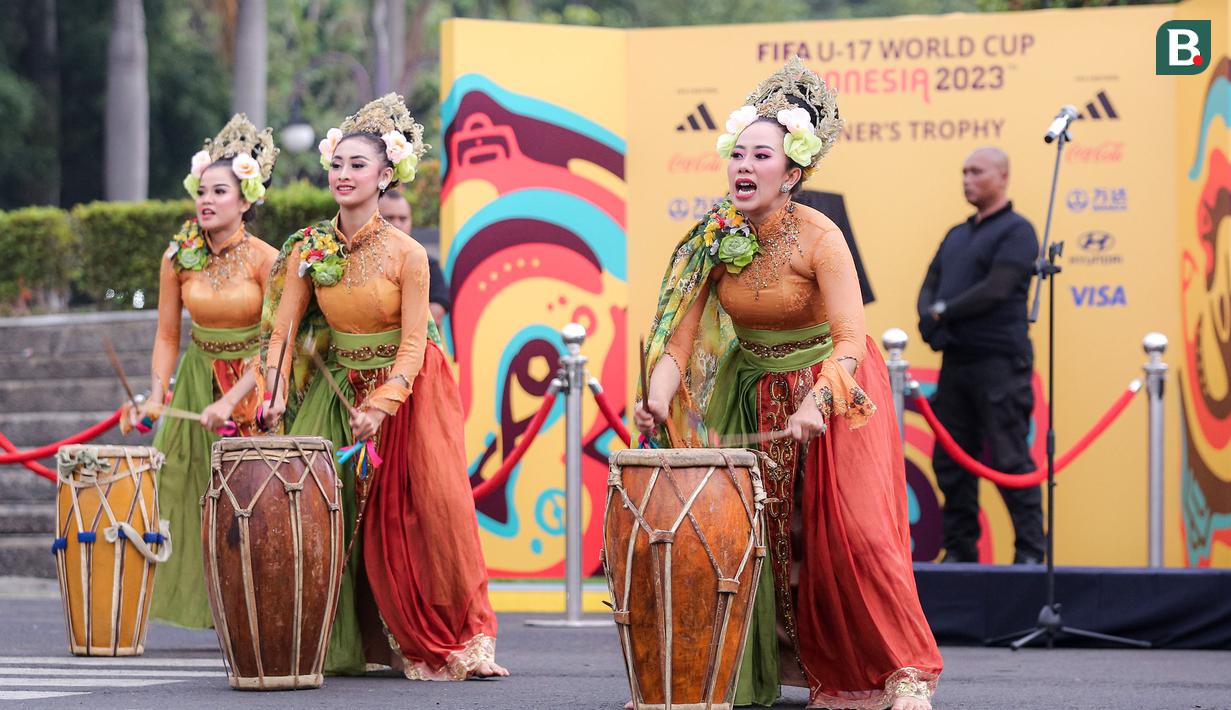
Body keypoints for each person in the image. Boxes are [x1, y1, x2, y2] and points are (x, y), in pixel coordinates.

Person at [635, 58, 941, 710]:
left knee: (853, 537)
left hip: (833, 392)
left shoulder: (820, 237)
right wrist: (657, 396)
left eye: (761, 155)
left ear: (792, 172)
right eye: (737, 153)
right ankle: (746, 669)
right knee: (748, 537)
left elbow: (852, 342)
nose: (743, 165)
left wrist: (815, 400)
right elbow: (678, 342)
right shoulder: (711, 239)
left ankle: (901, 673)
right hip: (751, 390)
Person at [262, 94, 506, 680]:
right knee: (323, 511)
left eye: (357, 165)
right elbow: (283, 333)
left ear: (385, 175)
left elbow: (415, 343)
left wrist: (383, 404)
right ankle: (339, 637)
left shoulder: (408, 254)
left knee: (428, 513)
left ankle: (452, 641)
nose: (343, 175)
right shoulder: (308, 248)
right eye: (337, 164)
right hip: (337, 385)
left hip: (408, 390)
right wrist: (271, 393)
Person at [123, 114, 280, 629]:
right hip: (196, 374)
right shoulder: (179, 256)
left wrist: (233, 399)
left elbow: (274, 343)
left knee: (257, 497)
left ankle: (259, 605)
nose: (206, 200)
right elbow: (168, 335)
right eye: (201, 191)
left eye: (220, 191)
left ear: (246, 201)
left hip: (254, 384)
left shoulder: (266, 260)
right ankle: (207, 605)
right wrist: (157, 393)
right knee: (183, 488)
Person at [916, 147, 1045, 565]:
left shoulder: (1017, 232)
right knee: (951, 460)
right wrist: (927, 317)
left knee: (1008, 456)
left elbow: (996, 289)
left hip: (1000, 364)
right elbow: (931, 282)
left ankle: (1030, 551)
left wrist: (943, 313)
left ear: (1002, 176)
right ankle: (961, 549)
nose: (967, 179)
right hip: (957, 365)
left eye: (976, 171)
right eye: (963, 171)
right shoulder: (957, 234)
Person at [377, 189, 452, 326]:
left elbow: (435, 314)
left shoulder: (428, 264)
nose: (397, 224)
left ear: (411, 221)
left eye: (403, 218)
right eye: (389, 218)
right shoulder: (360, 260)